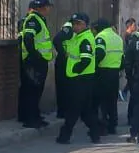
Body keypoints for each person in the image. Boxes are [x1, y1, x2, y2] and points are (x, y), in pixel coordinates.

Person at [57, 12, 102, 144]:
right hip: (77, 78)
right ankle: (95, 133)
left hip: (81, 79)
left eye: (78, 24)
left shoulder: (85, 39)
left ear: (85, 25)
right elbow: (58, 41)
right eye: (73, 23)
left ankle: (64, 136)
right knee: (85, 110)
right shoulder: (76, 37)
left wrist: (76, 69)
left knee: (74, 109)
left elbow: (86, 60)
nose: (75, 26)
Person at [16, 0, 54, 129]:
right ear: (42, 7)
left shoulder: (39, 20)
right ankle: (30, 119)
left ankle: (34, 116)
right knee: (32, 90)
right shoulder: (33, 19)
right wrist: (35, 55)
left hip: (38, 60)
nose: (49, 9)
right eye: (48, 7)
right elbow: (27, 38)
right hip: (34, 61)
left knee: (35, 90)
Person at [93, 18, 124, 134]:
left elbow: (99, 53)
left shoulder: (101, 37)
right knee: (112, 100)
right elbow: (122, 57)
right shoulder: (118, 37)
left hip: (103, 72)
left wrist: (93, 66)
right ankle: (112, 125)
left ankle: (102, 126)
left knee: (102, 101)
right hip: (115, 72)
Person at [51, 14, 76, 120]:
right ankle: (62, 111)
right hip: (64, 62)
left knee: (67, 88)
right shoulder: (69, 28)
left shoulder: (72, 28)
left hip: (68, 62)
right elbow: (56, 39)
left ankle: (66, 110)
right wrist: (63, 53)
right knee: (63, 87)